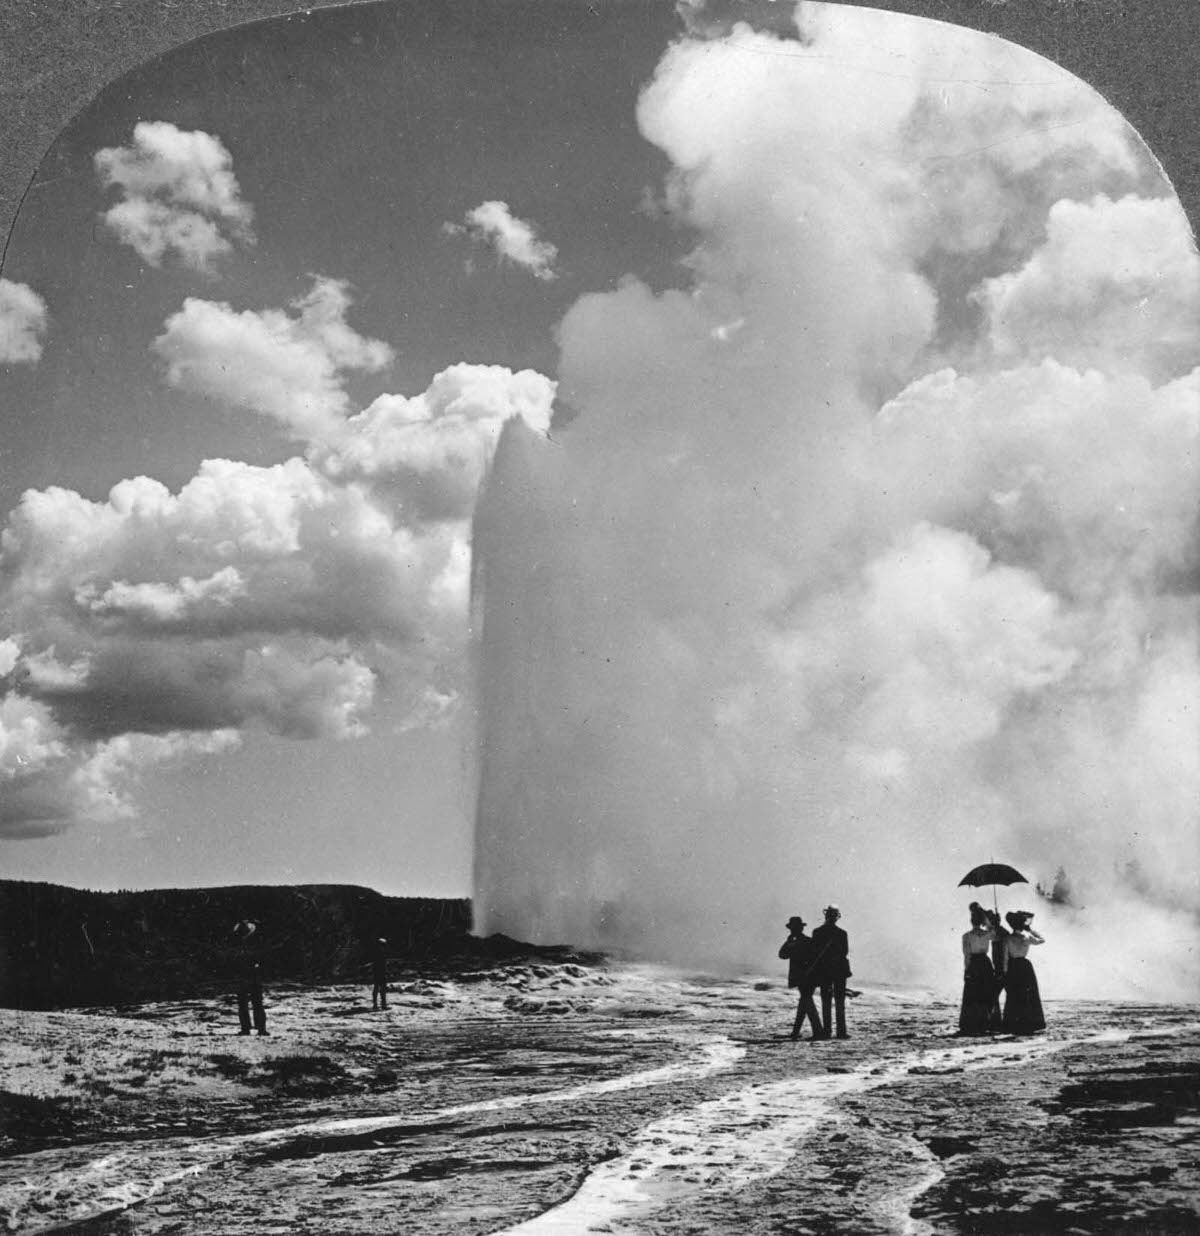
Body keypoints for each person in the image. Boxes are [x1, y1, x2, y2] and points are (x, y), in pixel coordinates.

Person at [778, 916, 824, 1041]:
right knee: (804, 1003)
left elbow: (783, 955)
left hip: (806, 977)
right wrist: (789, 941)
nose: (792, 930)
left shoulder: (802, 942)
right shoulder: (803, 941)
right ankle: (797, 1032)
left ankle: (818, 1031)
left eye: (794, 928)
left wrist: (789, 942)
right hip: (806, 977)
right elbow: (782, 955)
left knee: (806, 1002)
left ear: (799, 928)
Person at [1001, 911, 1046, 1034]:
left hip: (1013, 967)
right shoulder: (1026, 938)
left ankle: (1013, 1024)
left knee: (1014, 995)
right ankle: (1030, 1023)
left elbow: (1005, 958)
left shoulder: (1007, 939)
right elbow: (1042, 940)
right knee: (1028, 995)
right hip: (1025, 967)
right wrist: (1030, 930)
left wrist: (1005, 973)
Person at [958, 902, 998, 1036]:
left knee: (972, 994)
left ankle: (972, 1023)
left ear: (971, 921)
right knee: (986, 992)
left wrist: (966, 970)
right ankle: (987, 1021)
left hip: (974, 964)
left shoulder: (966, 936)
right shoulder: (988, 934)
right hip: (985, 963)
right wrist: (987, 919)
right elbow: (995, 932)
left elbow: (967, 955)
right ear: (981, 922)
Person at [812, 904, 851, 1039]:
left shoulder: (817, 932)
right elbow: (844, 952)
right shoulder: (842, 933)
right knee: (840, 1002)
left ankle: (827, 1031)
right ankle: (841, 1032)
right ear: (836, 917)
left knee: (826, 1001)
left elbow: (814, 952)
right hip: (839, 970)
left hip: (824, 970)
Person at [233, 919, 267, 1036]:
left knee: (243, 1003)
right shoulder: (256, 943)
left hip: (243, 976)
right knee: (257, 1002)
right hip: (253, 975)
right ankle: (261, 1029)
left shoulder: (237, 945)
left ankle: (246, 1029)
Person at [985, 908, 1009, 1032]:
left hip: (1001, 968)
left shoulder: (998, 933)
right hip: (1003, 967)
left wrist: (1002, 970)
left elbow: (1004, 953)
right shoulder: (1002, 931)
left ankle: (994, 1022)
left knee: (992, 995)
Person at [371, 937, 389, 1010]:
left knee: (377, 988)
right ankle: (383, 1005)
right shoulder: (381, 953)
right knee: (382, 989)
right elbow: (382, 965)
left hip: (377, 972)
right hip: (380, 972)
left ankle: (376, 1005)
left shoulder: (375, 953)